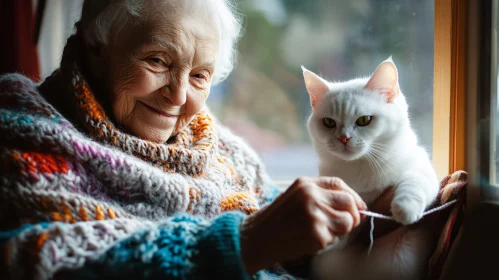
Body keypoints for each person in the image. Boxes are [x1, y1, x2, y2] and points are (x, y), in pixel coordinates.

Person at [0, 0, 367, 279]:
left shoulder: (224, 152)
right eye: (158, 61)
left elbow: (298, 234)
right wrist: (243, 243)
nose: (177, 97)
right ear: (98, 48)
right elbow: (43, 261)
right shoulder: (23, 136)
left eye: (199, 76)